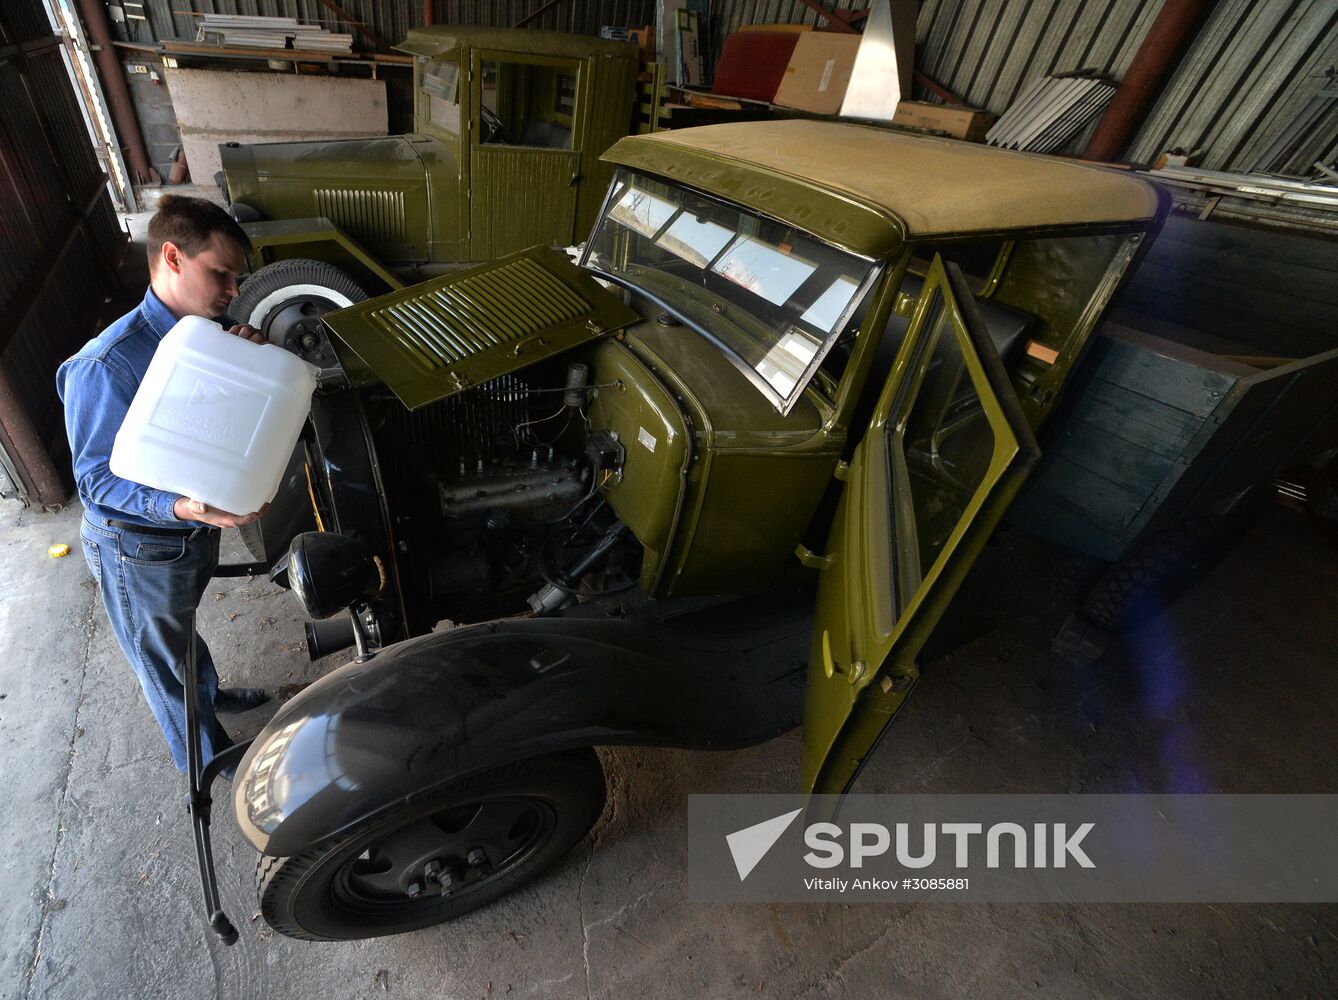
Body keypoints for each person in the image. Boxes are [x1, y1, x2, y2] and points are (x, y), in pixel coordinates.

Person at [57, 195, 271, 774]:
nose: (232, 289)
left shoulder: (213, 335)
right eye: (219, 273)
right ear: (172, 257)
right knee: (163, 667)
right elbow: (95, 480)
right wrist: (178, 505)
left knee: (181, 640)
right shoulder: (107, 364)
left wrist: (246, 372)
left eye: (236, 276)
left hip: (189, 532)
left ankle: (211, 697)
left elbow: (202, 427)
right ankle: (210, 761)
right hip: (138, 549)